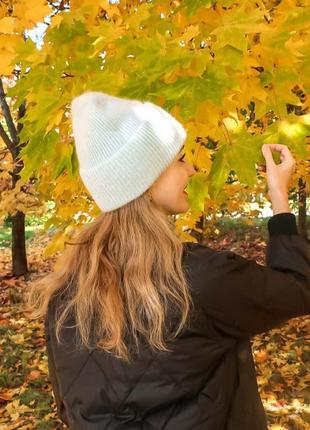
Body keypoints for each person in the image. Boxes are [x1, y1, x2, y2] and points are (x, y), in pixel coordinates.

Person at [28, 91, 310, 430]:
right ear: (144, 180)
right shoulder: (200, 279)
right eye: (179, 160)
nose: (191, 168)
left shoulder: (64, 293)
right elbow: (299, 289)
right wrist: (280, 199)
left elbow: (68, 401)